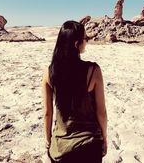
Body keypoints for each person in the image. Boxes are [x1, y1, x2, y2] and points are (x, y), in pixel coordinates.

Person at [42, 20, 108, 163]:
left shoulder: (50, 73)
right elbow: (101, 112)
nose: (87, 41)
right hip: (89, 145)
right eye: (86, 38)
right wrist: (105, 137)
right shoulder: (93, 70)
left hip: (60, 149)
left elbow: (47, 113)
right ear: (76, 44)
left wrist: (48, 139)